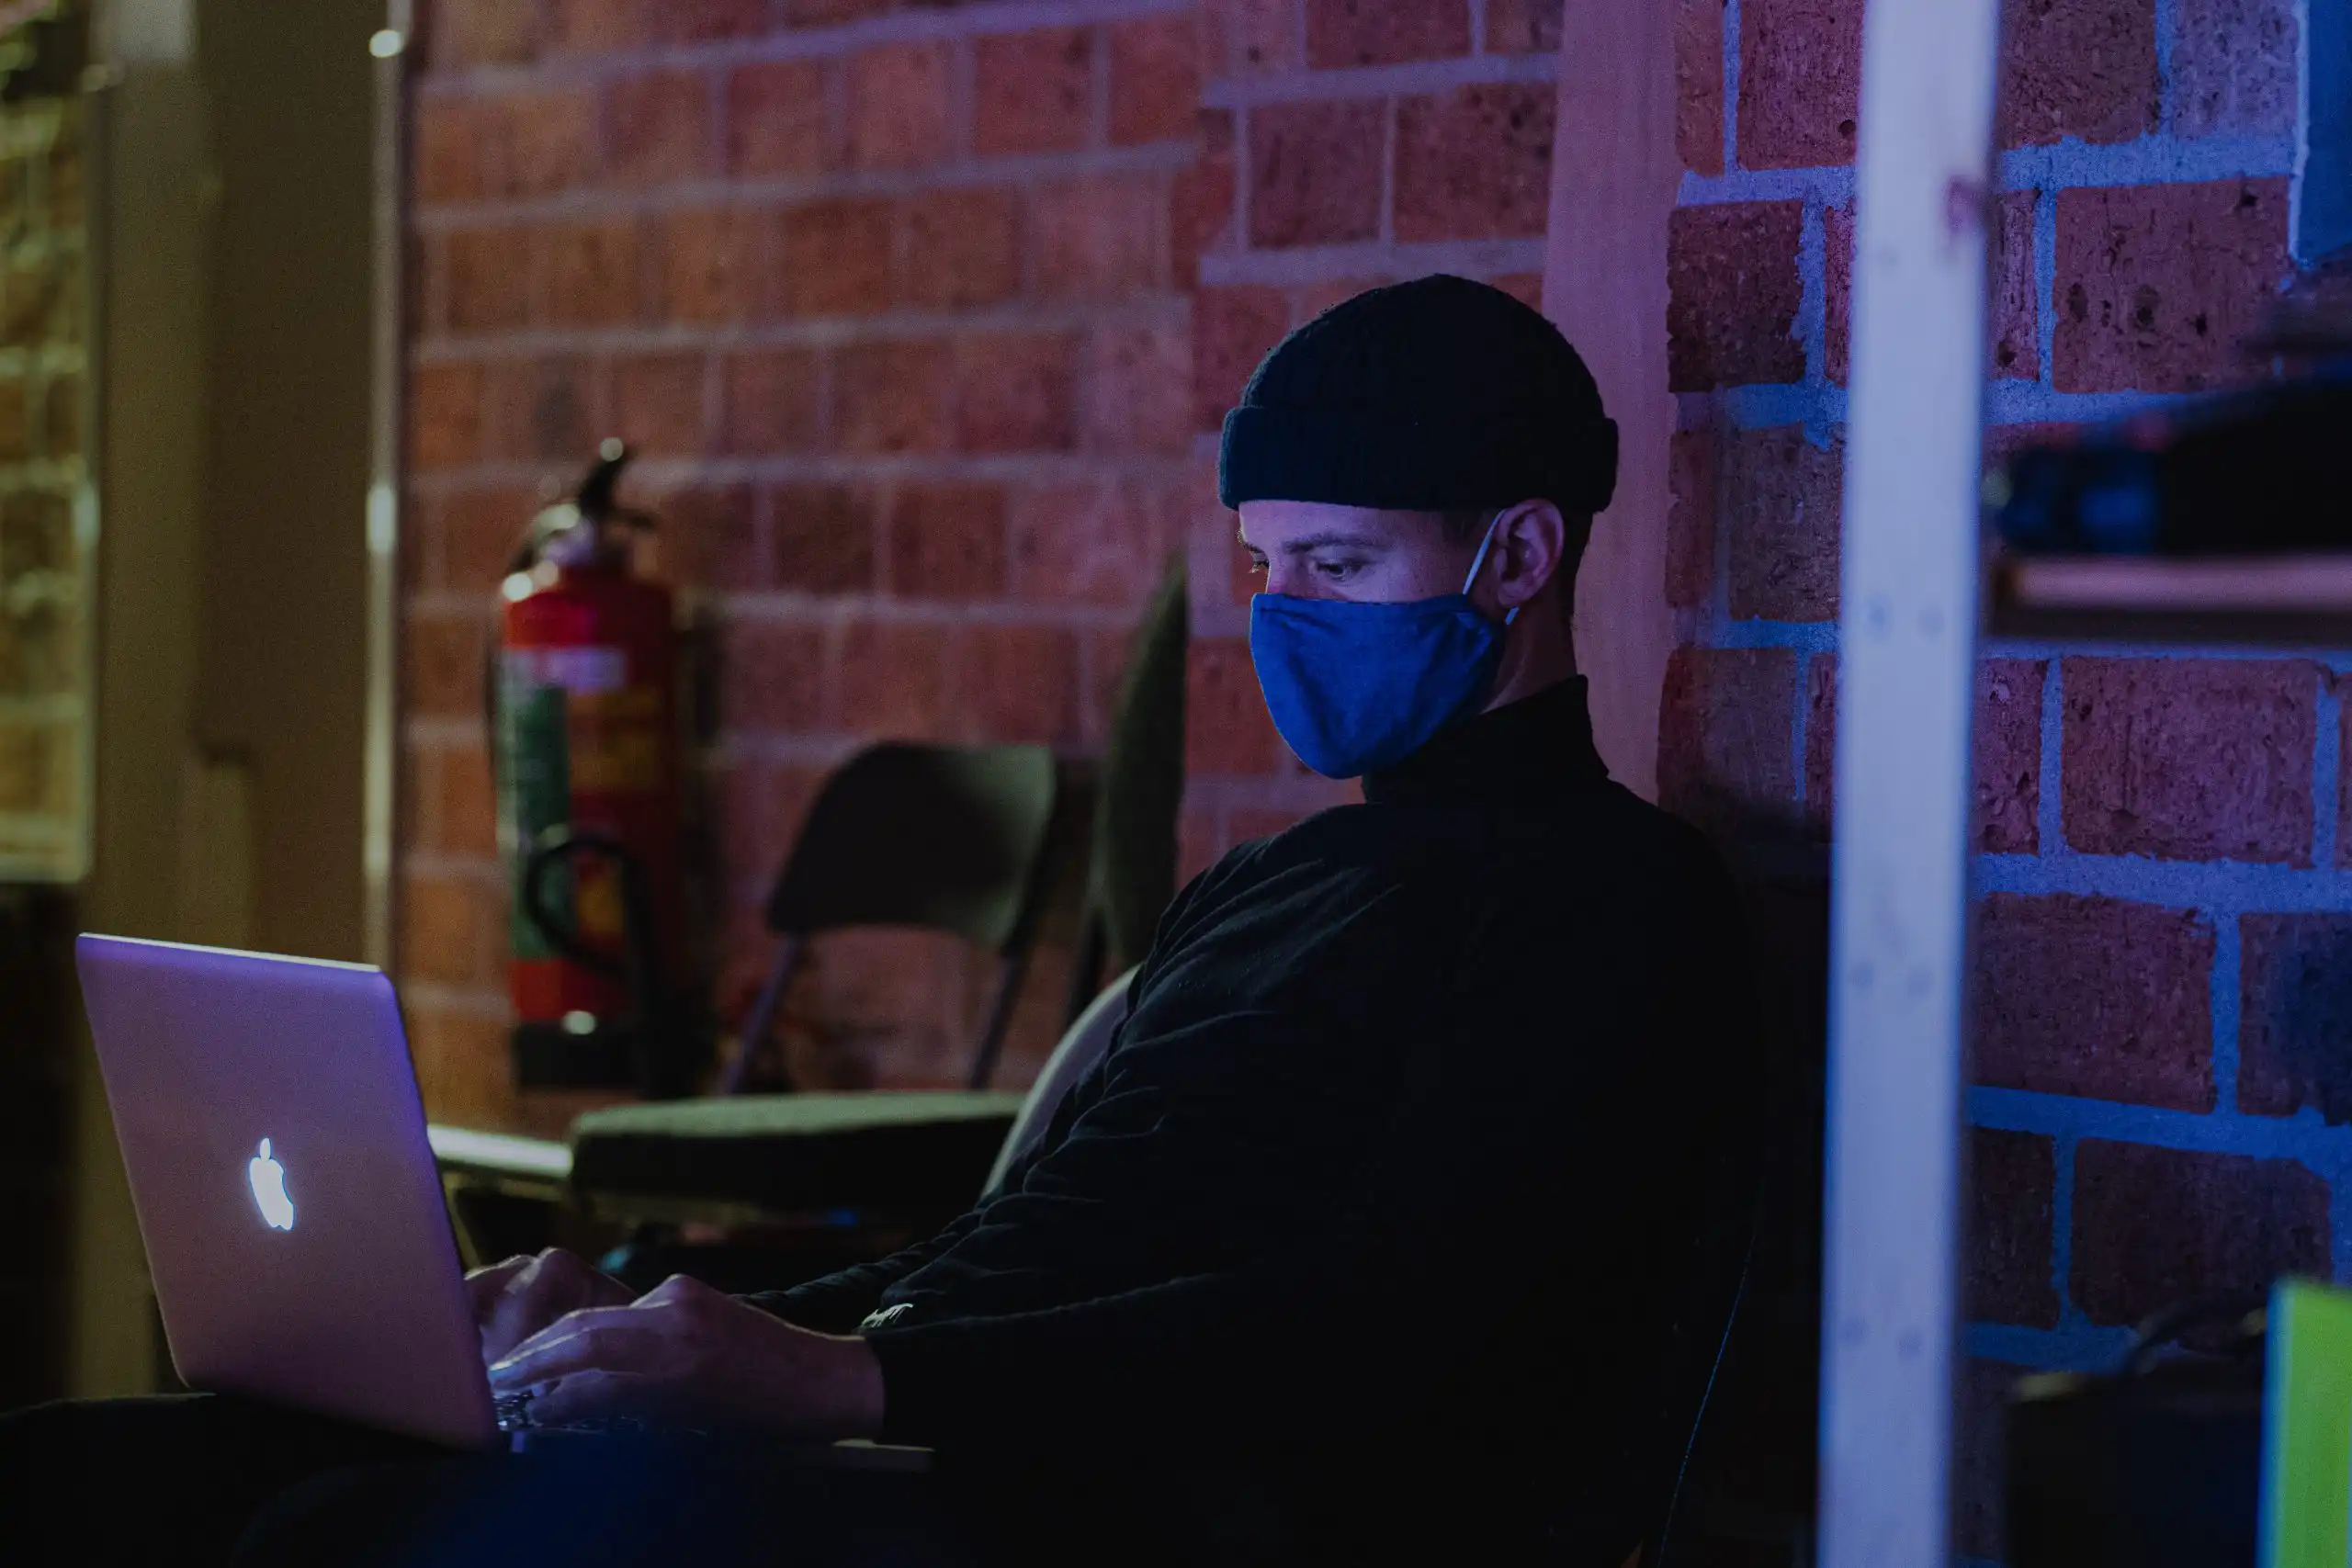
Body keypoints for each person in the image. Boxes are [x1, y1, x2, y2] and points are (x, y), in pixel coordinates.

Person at [0, 275, 1762, 1567]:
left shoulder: (1616, 906)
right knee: (104, 1467)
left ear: (1517, 558)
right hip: (940, 1439)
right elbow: (1019, 1253)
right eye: (1266, 567)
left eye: (1342, 567)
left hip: (1130, 1507)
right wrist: (652, 1328)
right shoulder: (1271, 887)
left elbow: (1369, 1330)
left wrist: (846, 1382)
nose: (1284, 614)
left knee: (329, 1532)